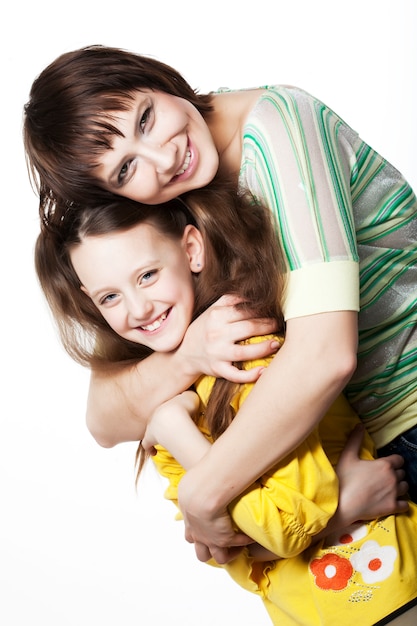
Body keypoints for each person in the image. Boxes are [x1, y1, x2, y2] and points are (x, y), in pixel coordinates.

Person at [24, 45, 417, 564]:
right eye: (124, 171)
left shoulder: (280, 128)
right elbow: (104, 418)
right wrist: (187, 356)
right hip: (346, 456)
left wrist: (204, 491)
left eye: (146, 117)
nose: (163, 158)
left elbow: (325, 356)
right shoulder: (169, 198)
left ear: (157, 79)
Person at [34, 185, 417, 625]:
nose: (138, 308)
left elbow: (280, 524)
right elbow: (219, 546)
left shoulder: (248, 353)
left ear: (192, 250)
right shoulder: (172, 398)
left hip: (382, 591)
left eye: (147, 275)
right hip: (310, 610)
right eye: (110, 297)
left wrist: (178, 434)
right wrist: (340, 505)